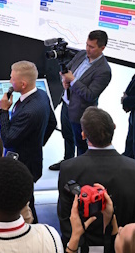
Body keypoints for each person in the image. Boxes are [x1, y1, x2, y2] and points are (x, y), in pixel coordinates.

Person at [57, 107, 135, 248]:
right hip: (126, 247)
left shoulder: (68, 168)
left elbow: (66, 219)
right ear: (114, 128)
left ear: (83, 135)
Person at [0, 60, 56, 221]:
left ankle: (32, 226)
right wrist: (37, 143)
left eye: (12, 78)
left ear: (23, 84)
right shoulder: (42, 95)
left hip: (23, 166)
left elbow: (8, 140)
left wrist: (3, 112)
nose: (10, 81)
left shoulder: (29, 112)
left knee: (24, 202)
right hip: (33, 159)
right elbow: (52, 123)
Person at [50, 30, 112, 169]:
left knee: (81, 143)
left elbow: (90, 95)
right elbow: (67, 70)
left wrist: (73, 81)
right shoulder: (82, 54)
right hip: (66, 104)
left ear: (102, 48)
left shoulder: (104, 70)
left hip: (81, 112)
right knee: (67, 136)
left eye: (92, 47)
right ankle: (67, 162)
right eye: (87, 45)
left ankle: (80, 169)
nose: (88, 49)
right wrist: (64, 80)